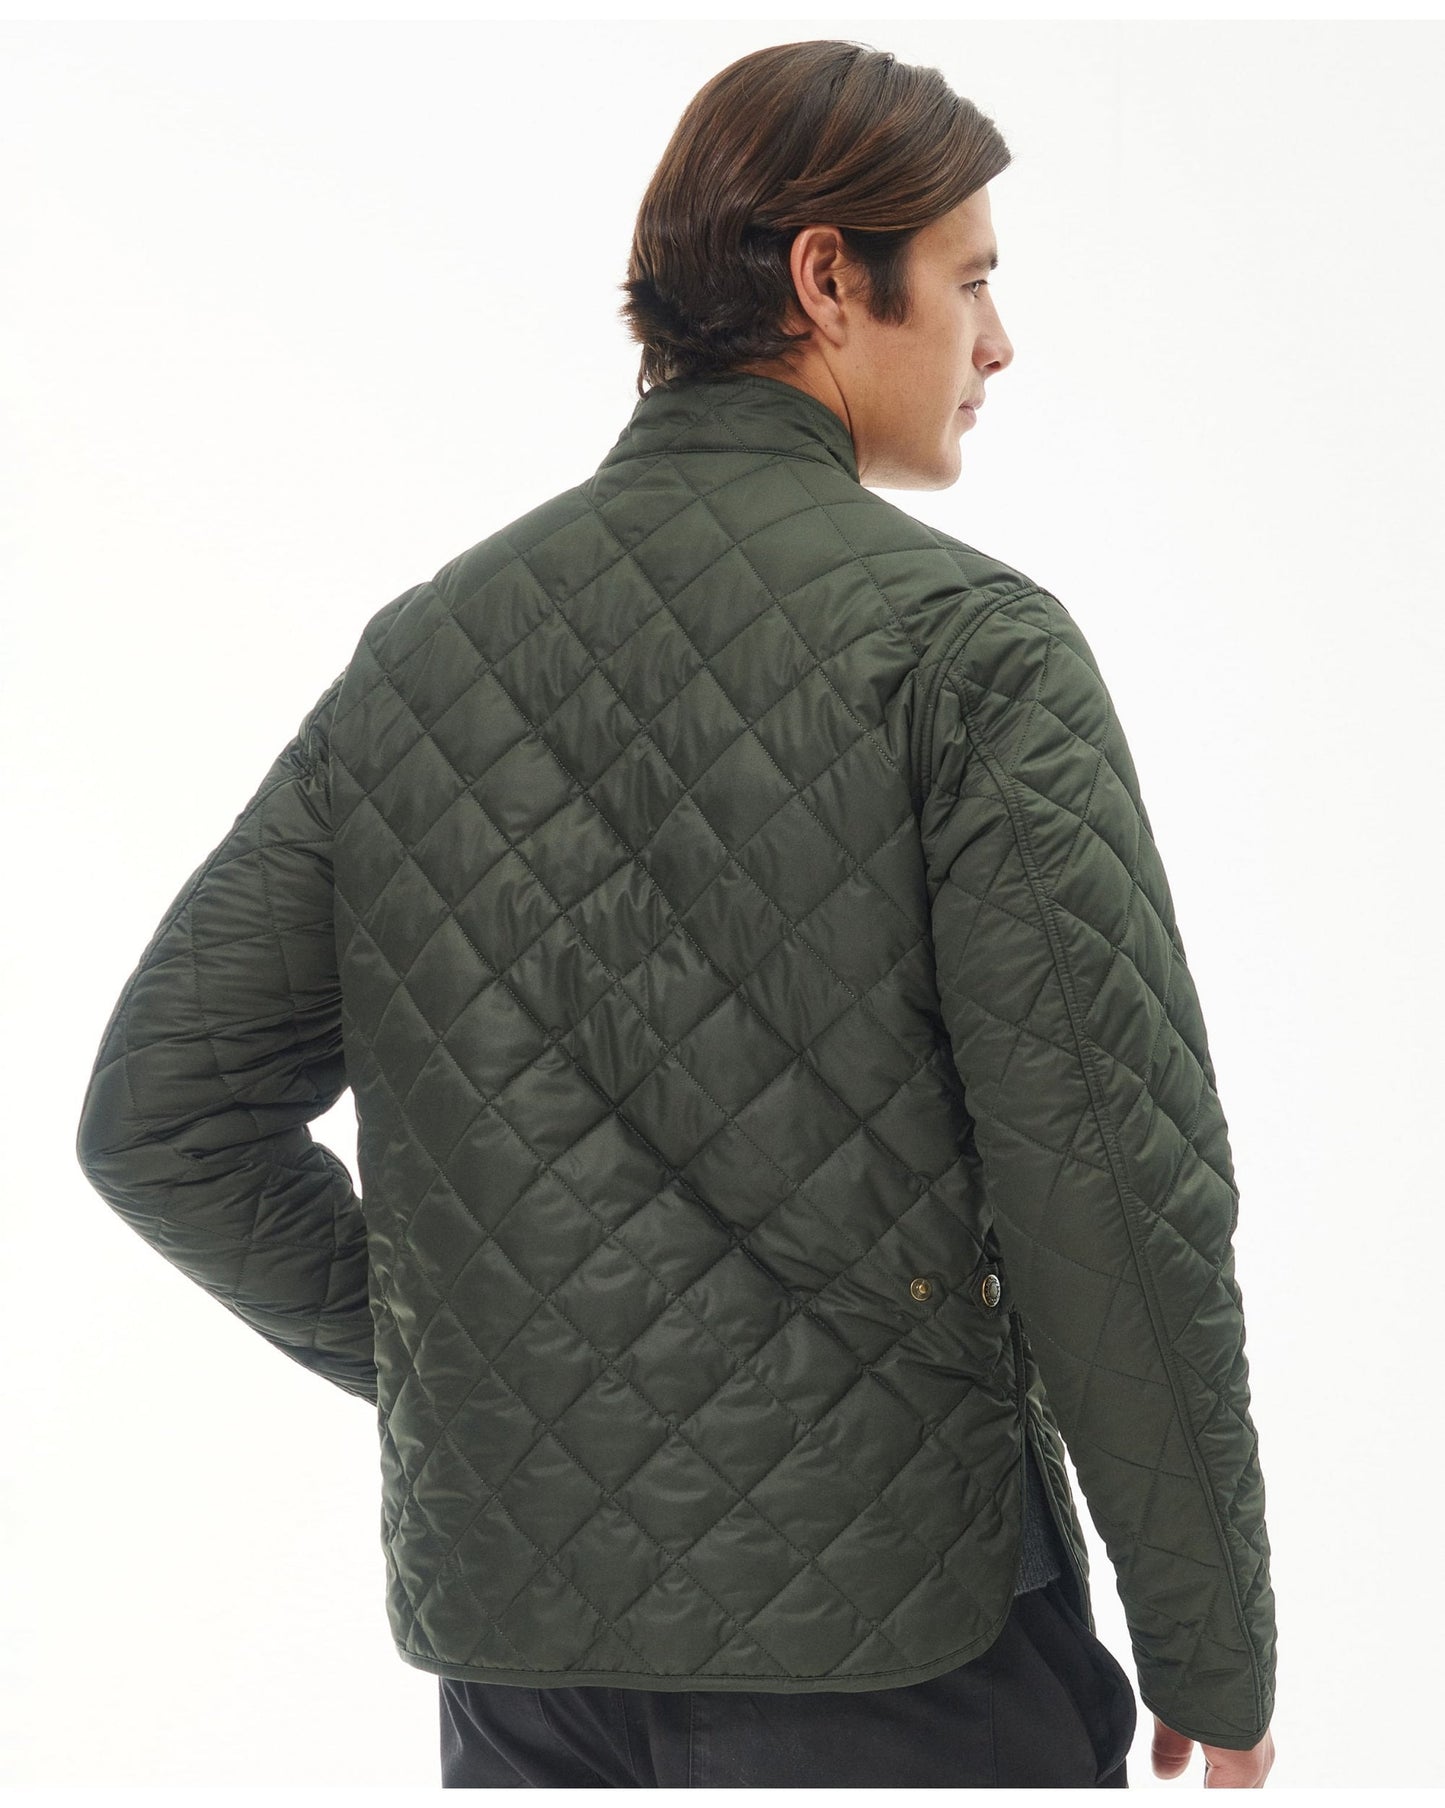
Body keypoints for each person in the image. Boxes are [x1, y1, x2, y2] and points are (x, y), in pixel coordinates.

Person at [74, 37, 1277, 1790]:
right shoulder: (967, 653)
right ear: (826, 279)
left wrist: (497, 1384)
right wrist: (1209, 1644)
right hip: (903, 1642)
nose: (998, 343)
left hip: (529, 1672)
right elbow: (1105, 1185)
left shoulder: (426, 654)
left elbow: (162, 1117)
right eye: (969, 282)